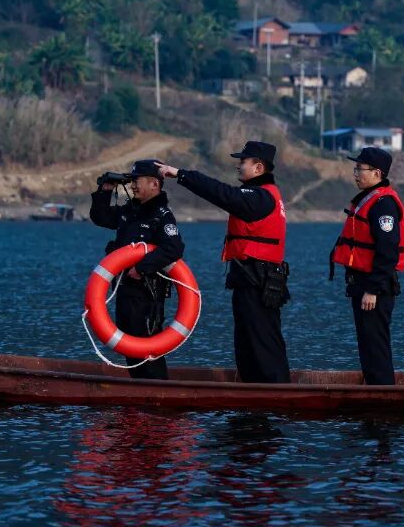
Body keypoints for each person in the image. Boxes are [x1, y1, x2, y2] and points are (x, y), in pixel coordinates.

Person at [156, 141, 291, 384]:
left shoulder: (260, 197)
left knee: (262, 337)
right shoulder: (262, 194)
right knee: (248, 338)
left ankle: (275, 390)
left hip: (258, 280)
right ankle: (253, 388)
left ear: (259, 167)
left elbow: (221, 193)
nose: (238, 166)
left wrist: (180, 174)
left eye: (243, 162)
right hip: (252, 278)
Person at [89, 159, 184, 380]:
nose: (132, 185)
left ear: (154, 184)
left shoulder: (162, 216)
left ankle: (158, 392)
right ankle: (139, 392)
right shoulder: (129, 212)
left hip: (147, 293)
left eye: (136, 181)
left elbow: (174, 248)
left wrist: (141, 268)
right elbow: (100, 217)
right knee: (129, 345)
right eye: (131, 181)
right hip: (124, 289)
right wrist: (104, 191)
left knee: (147, 347)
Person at [329, 147, 404, 385]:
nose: (355, 174)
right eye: (356, 168)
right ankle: (374, 389)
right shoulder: (368, 200)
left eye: (360, 169)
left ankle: (383, 395)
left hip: (375, 288)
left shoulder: (384, 205)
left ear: (377, 173)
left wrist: (372, 289)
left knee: (375, 345)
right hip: (362, 284)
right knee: (367, 344)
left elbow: (387, 251)